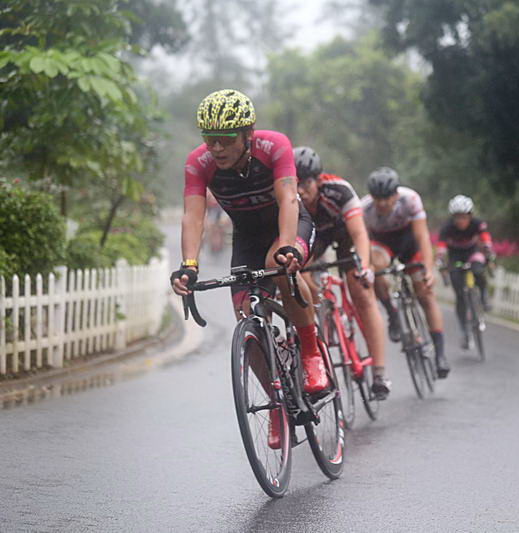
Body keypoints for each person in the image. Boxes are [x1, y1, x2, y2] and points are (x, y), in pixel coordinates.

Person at [170, 89, 328, 397]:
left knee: (278, 266)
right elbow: (193, 216)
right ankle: (276, 402)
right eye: (209, 138)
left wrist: (287, 246)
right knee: (245, 314)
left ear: (248, 133)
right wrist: (189, 266)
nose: (217, 147)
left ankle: (311, 353)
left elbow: (287, 198)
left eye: (227, 138)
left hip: (289, 224)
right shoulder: (198, 162)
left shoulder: (273, 146)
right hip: (247, 237)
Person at [295, 147, 392, 399]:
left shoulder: (339, 190)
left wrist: (365, 268)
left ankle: (379, 373)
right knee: (301, 279)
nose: (300, 191)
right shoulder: (291, 199)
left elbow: (360, 234)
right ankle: (324, 313)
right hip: (315, 236)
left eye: (305, 184)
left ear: (318, 179)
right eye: (295, 184)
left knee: (360, 289)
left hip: (345, 232)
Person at [361, 167, 450, 378]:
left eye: (387, 198)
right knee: (378, 272)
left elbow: (422, 237)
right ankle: (392, 314)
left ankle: (440, 354)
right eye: (377, 198)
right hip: (382, 245)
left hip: (410, 244)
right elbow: (363, 244)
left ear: (396, 194)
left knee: (425, 293)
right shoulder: (364, 209)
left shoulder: (410, 200)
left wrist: (428, 270)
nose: (382, 203)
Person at [436, 195, 495, 349]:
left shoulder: (477, 224)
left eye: (463, 217)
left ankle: (483, 296)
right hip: (455, 257)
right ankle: (464, 330)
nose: (460, 221)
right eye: (457, 217)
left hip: (472, 253)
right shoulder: (447, 228)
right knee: (460, 296)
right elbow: (441, 248)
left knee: (478, 269)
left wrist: (488, 250)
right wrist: (441, 261)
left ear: (470, 216)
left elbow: (485, 239)